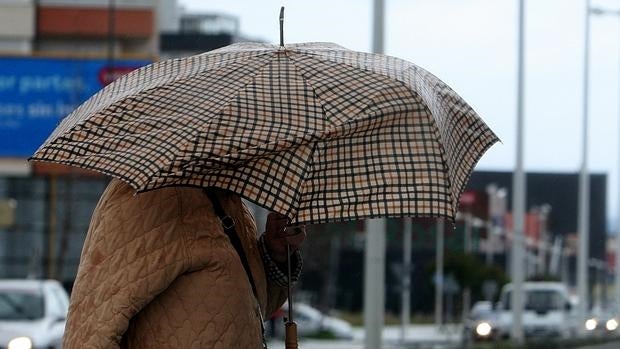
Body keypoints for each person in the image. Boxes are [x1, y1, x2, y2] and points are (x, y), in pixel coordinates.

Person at [62, 179, 304, 348]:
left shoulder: (230, 203)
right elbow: (91, 329)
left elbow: (246, 310)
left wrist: (276, 253)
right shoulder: (146, 196)